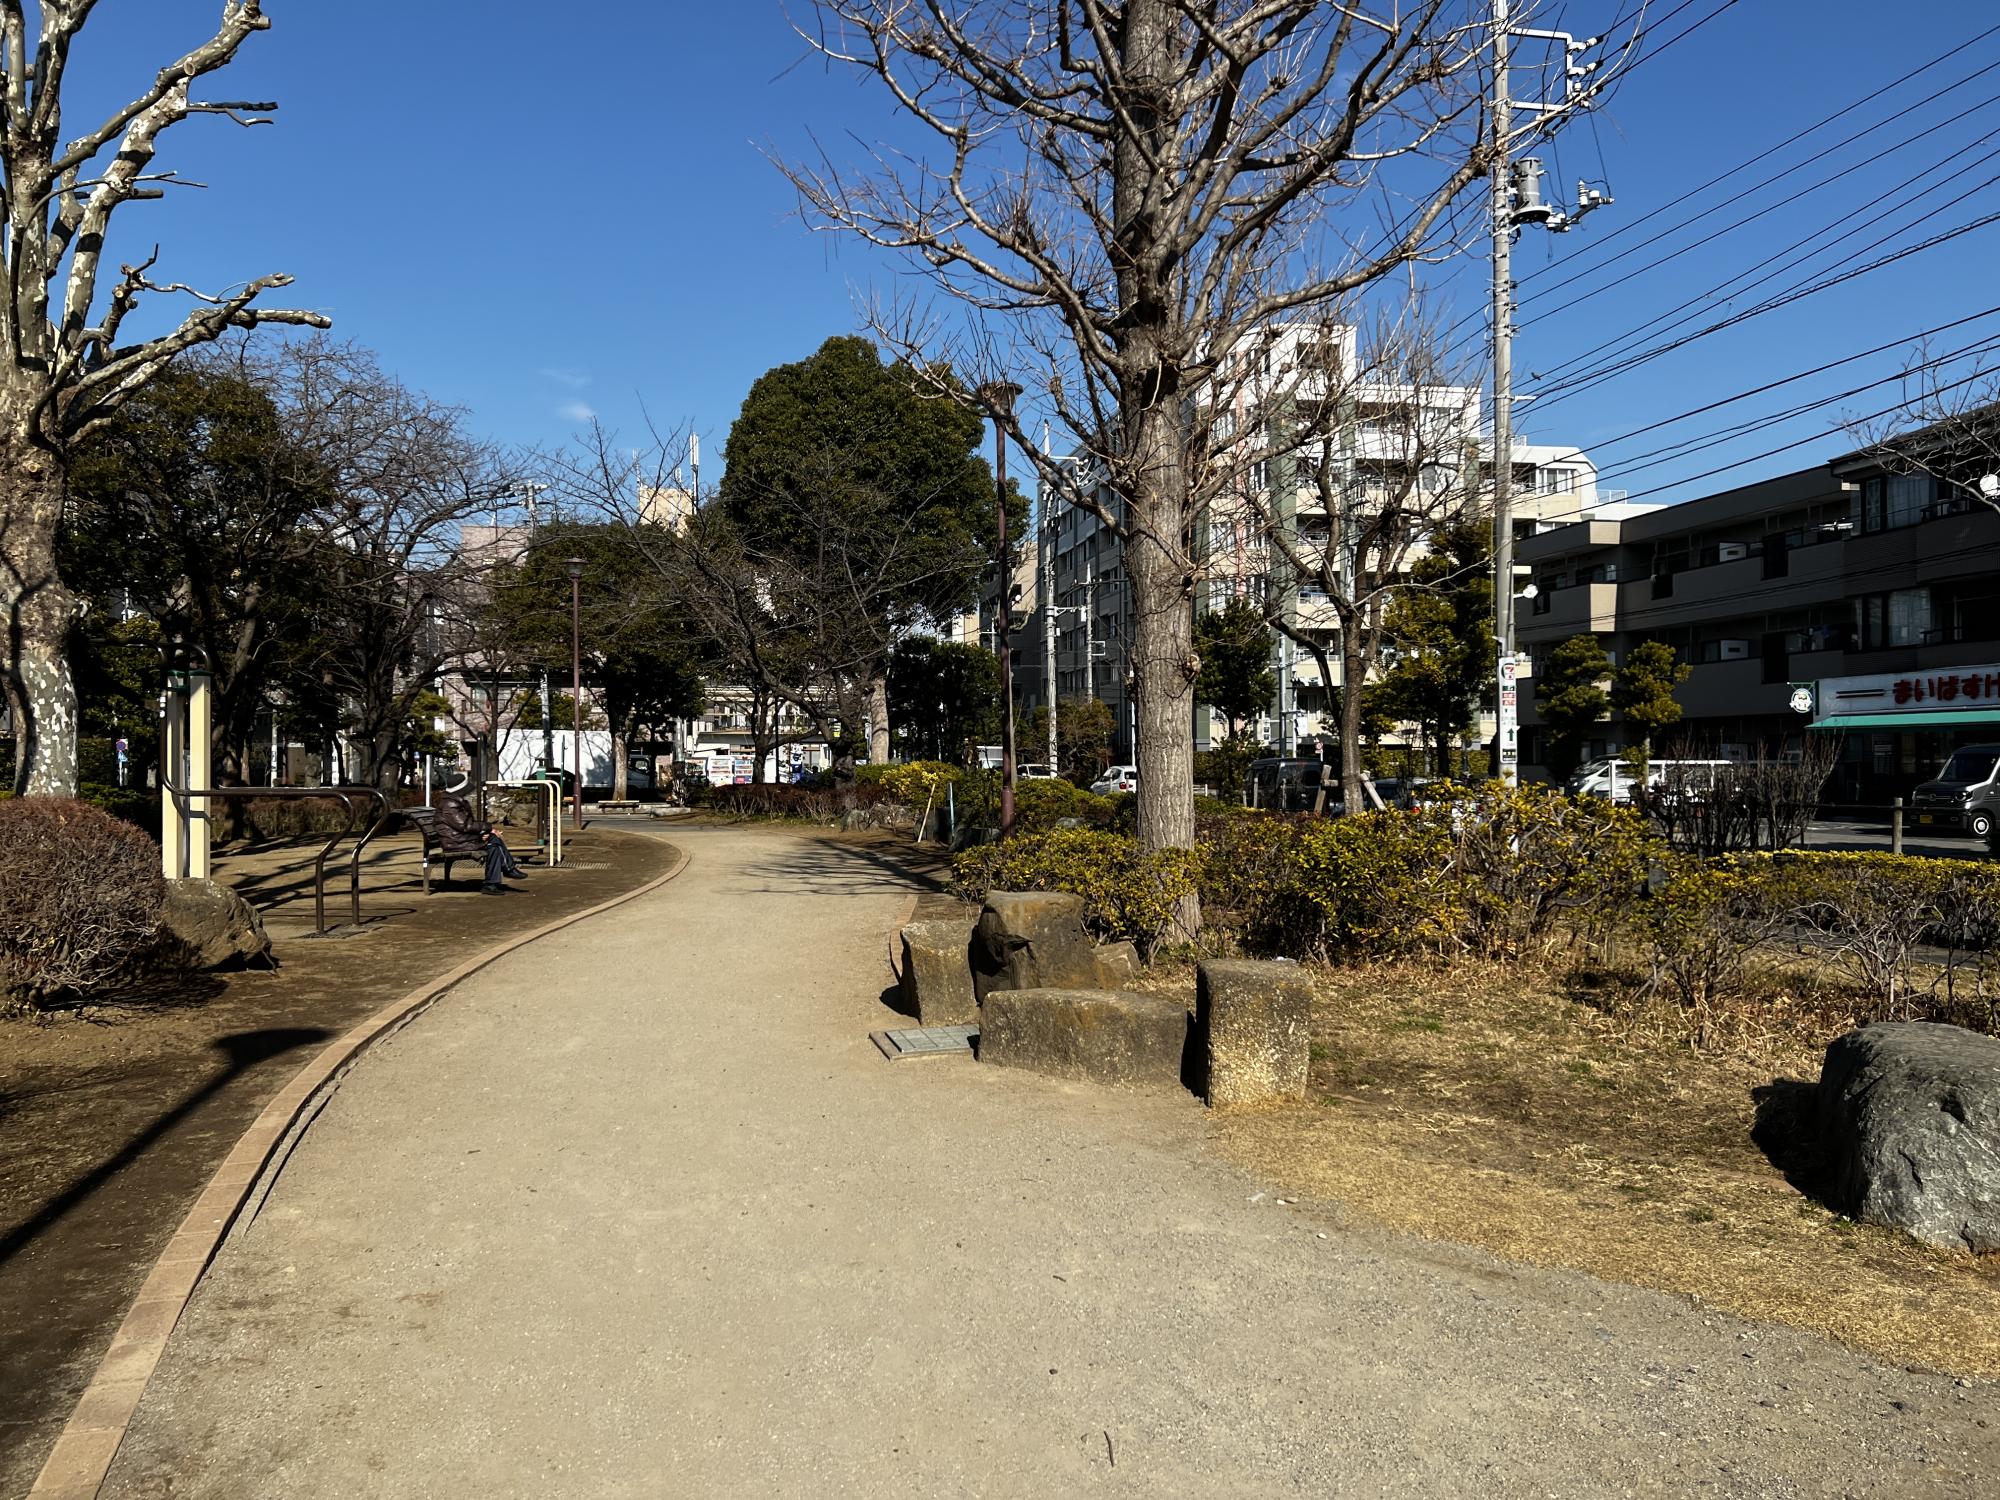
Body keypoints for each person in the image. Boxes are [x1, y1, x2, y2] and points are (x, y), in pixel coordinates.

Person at [436, 776, 527, 894]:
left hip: (458, 838)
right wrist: (487, 829)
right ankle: (505, 871)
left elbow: (463, 826)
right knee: (493, 843)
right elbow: (465, 826)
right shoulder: (450, 804)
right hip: (455, 842)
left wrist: (484, 832)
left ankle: (498, 878)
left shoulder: (454, 801)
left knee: (493, 839)